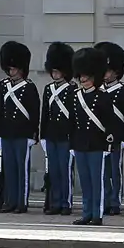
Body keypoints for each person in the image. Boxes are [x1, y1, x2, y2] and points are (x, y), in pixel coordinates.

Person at [70, 47, 115, 225]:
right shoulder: (76, 96)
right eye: (82, 76)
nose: (84, 80)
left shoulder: (103, 97)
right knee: (85, 182)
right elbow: (72, 122)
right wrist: (72, 144)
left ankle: (97, 214)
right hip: (81, 144)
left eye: (87, 77)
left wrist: (108, 145)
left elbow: (110, 123)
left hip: (97, 145)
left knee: (98, 182)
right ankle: (87, 212)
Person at [0, 41, 40, 214]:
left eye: (14, 68)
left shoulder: (29, 87)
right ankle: (10, 200)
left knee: (22, 171)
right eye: (10, 68)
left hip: (22, 133)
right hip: (7, 133)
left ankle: (22, 202)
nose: (12, 71)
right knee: (10, 170)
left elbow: (34, 111)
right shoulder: (3, 86)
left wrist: (33, 133)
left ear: (22, 69)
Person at [94, 41, 124, 216]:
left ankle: (115, 202)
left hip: (117, 138)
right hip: (100, 137)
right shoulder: (98, 90)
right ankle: (104, 199)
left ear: (116, 71)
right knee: (103, 173)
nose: (106, 74)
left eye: (109, 70)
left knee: (115, 172)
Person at [40, 42, 75, 216]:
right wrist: (42, 136)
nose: (54, 74)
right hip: (52, 135)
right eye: (53, 71)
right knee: (53, 172)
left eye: (57, 71)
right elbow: (44, 114)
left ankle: (65, 202)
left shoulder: (73, 90)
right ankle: (55, 202)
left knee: (65, 171)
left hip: (66, 136)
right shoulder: (48, 90)